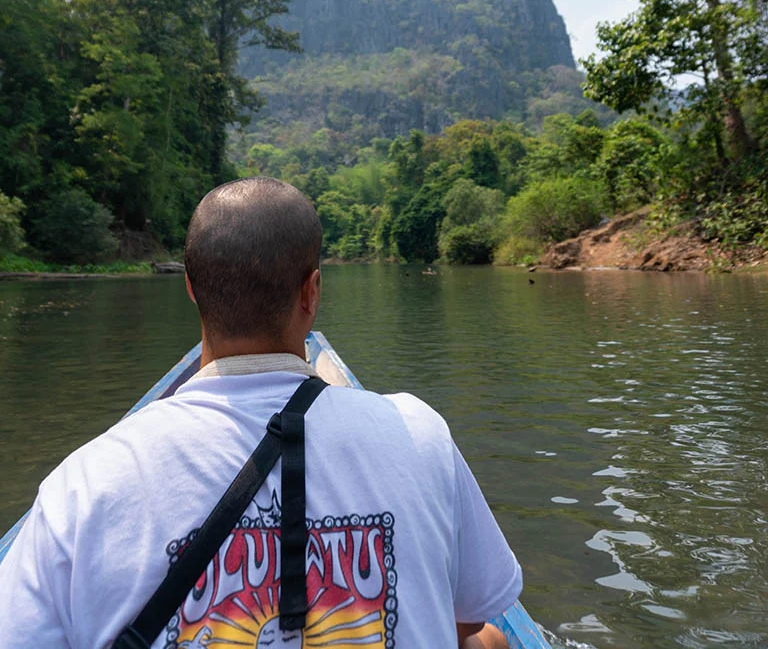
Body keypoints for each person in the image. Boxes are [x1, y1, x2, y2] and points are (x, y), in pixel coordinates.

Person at [0, 177, 522, 648]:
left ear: (190, 287)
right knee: (491, 641)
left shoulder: (83, 486)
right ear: (311, 292)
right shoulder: (420, 433)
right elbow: (464, 622)